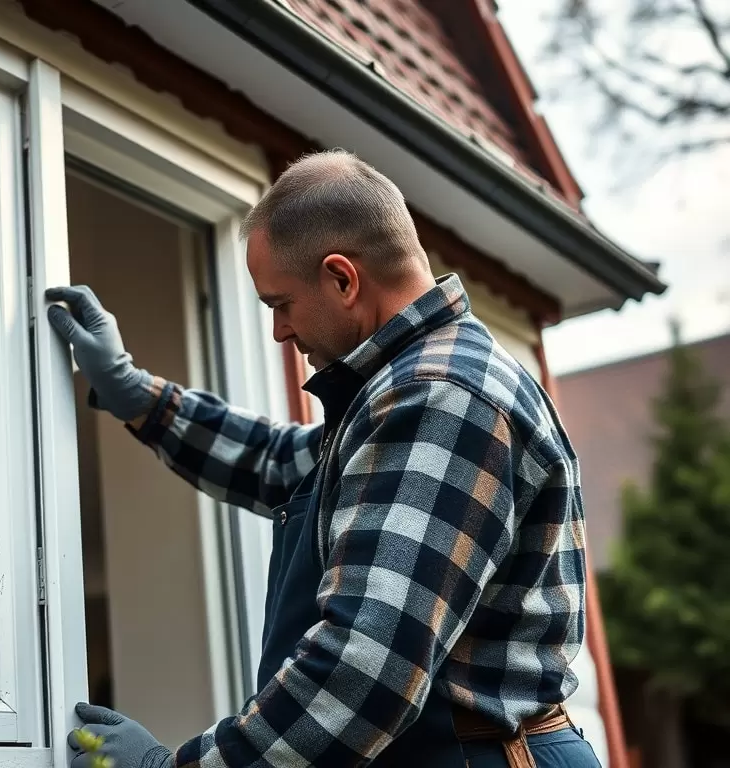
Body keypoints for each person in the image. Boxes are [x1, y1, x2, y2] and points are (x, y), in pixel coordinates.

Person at [47, 149, 600, 768]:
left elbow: (365, 672)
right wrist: (135, 393)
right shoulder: (405, 390)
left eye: (279, 304)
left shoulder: (441, 398)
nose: (280, 332)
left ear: (342, 278)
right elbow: (280, 463)